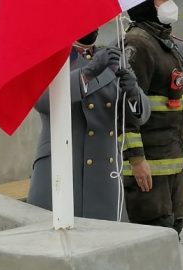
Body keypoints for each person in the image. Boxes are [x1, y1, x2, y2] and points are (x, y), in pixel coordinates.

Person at [27, 32, 150, 220]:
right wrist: (86, 74)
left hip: (104, 170)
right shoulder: (53, 56)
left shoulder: (112, 58)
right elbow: (42, 101)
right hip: (64, 166)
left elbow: (140, 116)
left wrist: (133, 93)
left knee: (105, 240)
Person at [122, 0, 183, 234]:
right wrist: (137, 159)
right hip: (149, 166)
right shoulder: (138, 43)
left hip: (172, 159)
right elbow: (126, 109)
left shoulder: (166, 43)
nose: (169, 4)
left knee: (174, 226)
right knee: (155, 231)